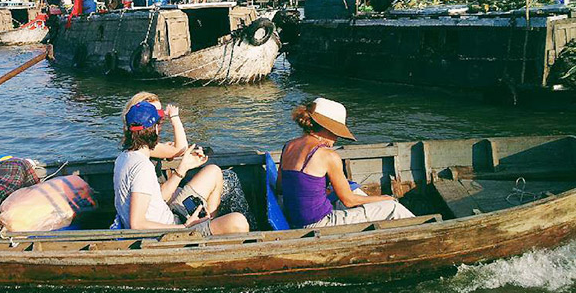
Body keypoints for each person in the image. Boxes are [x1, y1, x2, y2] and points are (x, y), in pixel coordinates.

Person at [114, 101, 249, 236]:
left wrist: (183, 167)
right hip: (170, 233)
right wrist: (184, 227)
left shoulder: (124, 157)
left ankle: (209, 223)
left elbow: (154, 200)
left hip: (168, 217)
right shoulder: (142, 168)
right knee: (238, 222)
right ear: (154, 129)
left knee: (212, 171)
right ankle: (208, 231)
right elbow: (137, 224)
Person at [277, 98, 414, 228]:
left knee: (354, 191)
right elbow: (349, 200)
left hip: (294, 218)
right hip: (319, 224)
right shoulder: (328, 155)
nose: (336, 139)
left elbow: (280, 187)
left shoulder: (289, 146)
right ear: (327, 128)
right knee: (393, 207)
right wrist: (383, 198)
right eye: (336, 133)